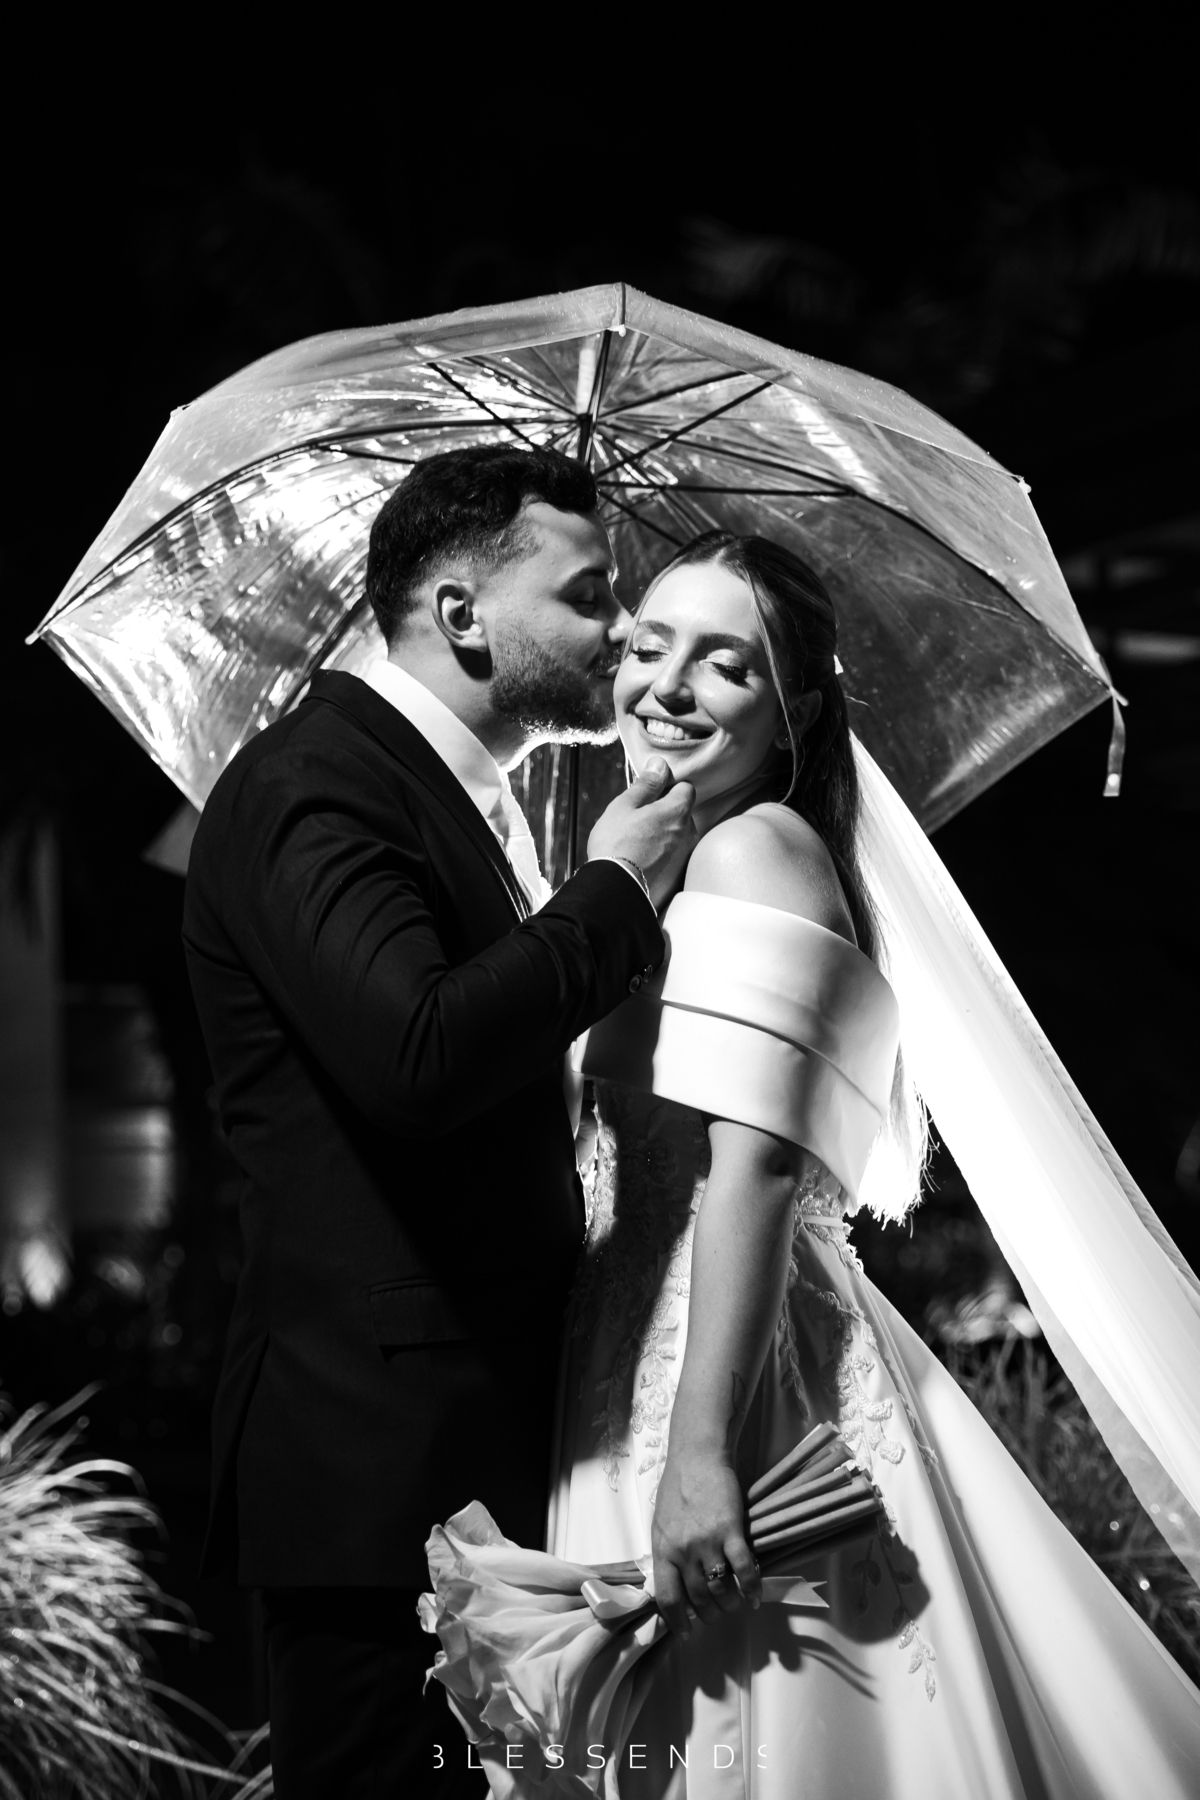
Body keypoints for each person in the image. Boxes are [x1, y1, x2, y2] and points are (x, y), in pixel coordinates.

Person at [426, 532, 1200, 1796]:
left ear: (788, 715)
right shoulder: (664, 863)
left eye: (725, 664)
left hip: (728, 1380)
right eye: (650, 647)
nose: (670, 685)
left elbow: (759, 1175)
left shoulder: (755, 852)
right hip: (629, 1357)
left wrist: (702, 1454)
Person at [182, 444, 700, 1799]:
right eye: (586, 595)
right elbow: (417, 1054)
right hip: (381, 1473)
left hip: (479, 1447)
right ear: (461, 612)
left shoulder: (463, 801)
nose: (623, 632)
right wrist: (615, 891)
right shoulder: (316, 783)